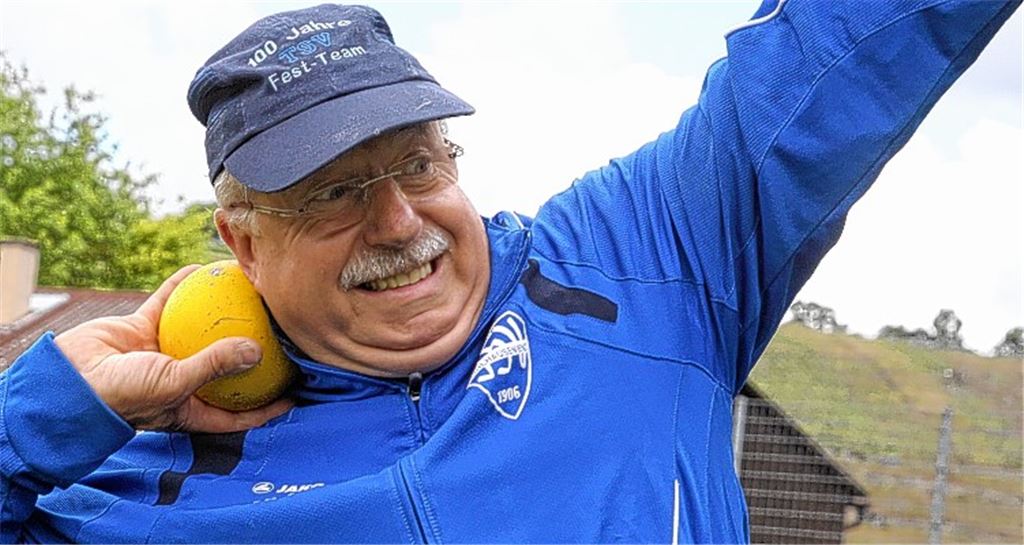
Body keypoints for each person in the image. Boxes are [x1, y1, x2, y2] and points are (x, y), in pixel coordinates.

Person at [1, 1, 1018, 542]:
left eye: (417, 158)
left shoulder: (652, 253)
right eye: (330, 190)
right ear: (242, 243)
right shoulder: (138, 487)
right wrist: (41, 409)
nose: (399, 217)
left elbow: (846, 38)